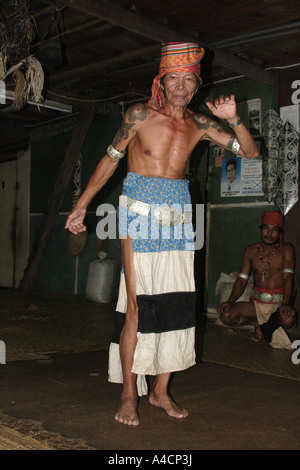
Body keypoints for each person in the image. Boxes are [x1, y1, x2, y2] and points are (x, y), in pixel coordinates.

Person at [65, 42, 258, 426]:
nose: (182, 85)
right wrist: (82, 204)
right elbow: (110, 158)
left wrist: (234, 118)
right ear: (162, 82)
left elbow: (249, 152)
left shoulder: (200, 125)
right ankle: (128, 395)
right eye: (175, 78)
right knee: (137, 306)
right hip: (138, 211)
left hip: (179, 213)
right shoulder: (138, 114)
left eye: (190, 79)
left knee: (177, 305)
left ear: (197, 84)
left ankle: (159, 392)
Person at [218, 210, 297, 349]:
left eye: (274, 230)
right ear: (260, 231)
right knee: (226, 315)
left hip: (277, 304)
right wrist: (230, 301)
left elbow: (288, 278)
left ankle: (264, 326)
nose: (269, 233)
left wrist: (286, 303)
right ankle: (258, 323)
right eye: (266, 228)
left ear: (279, 233)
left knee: (289, 320)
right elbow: (241, 280)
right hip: (255, 304)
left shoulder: (287, 249)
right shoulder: (251, 251)